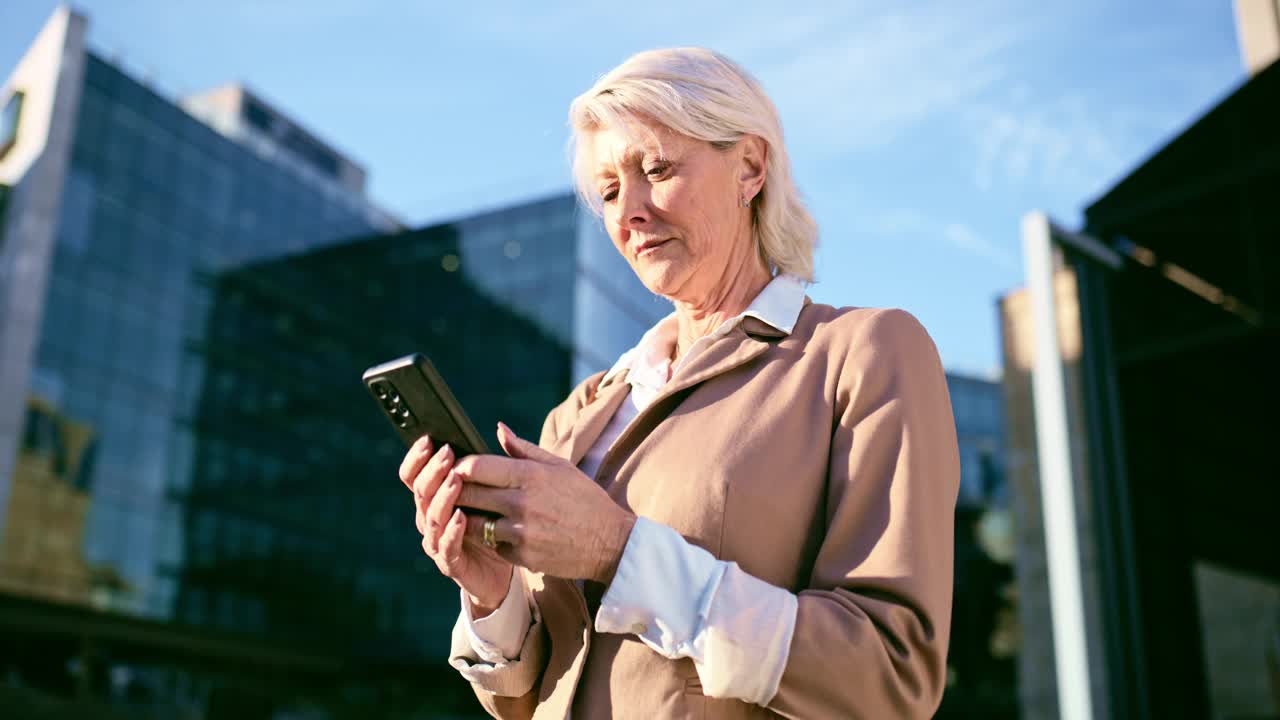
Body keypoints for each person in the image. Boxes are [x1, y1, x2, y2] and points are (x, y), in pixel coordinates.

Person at [399, 47, 959, 719]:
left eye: (656, 170)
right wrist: (492, 595)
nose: (628, 211)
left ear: (750, 167)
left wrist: (616, 549)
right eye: (608, 192)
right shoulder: (576, 417)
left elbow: (888, 679)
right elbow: (525, 699)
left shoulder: (862, 354)